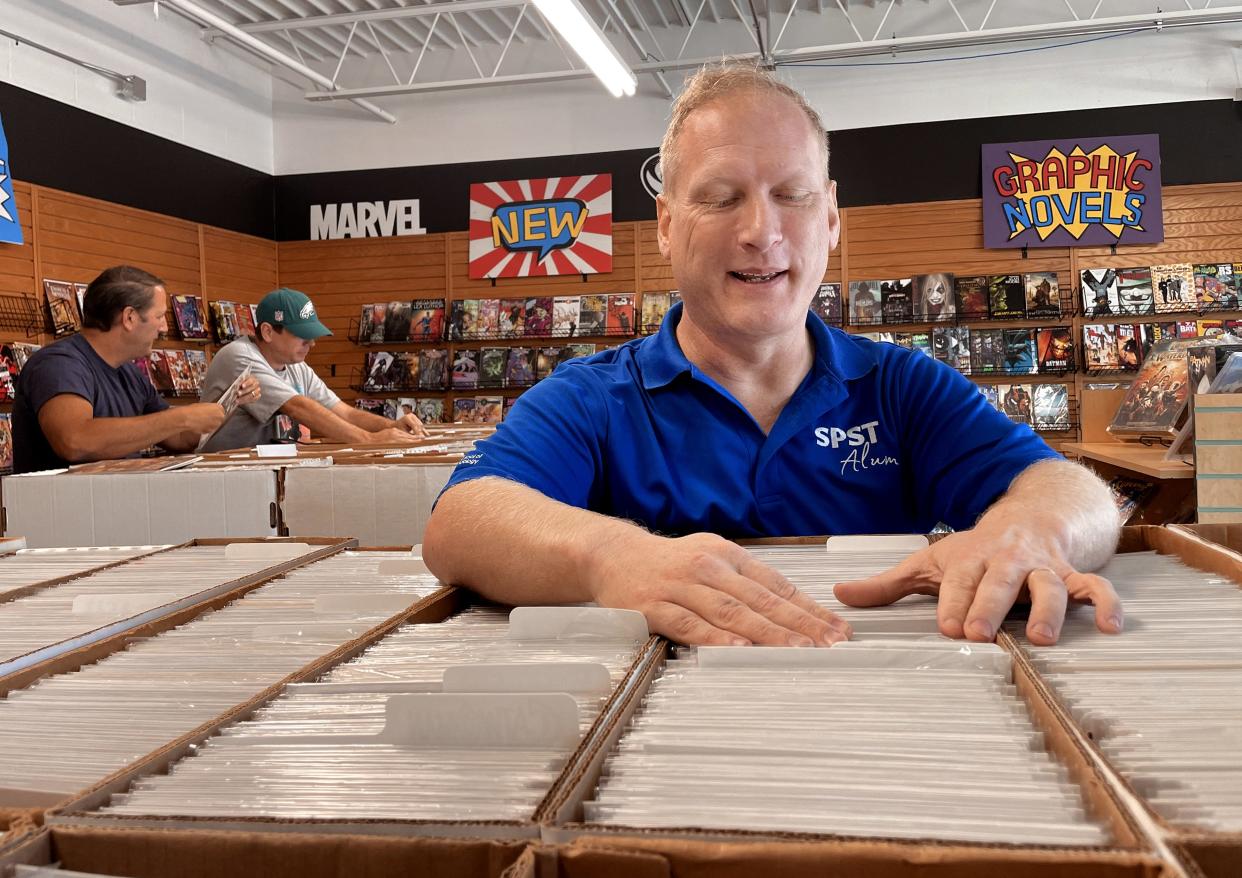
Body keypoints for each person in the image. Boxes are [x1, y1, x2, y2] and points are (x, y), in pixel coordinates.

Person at [423, 62, 1122, 650]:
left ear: (831, 215)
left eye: (791, 196)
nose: (762, 232)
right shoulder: (592, 398)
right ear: (666, 224)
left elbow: (1076, 493)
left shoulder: (904, 388)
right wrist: (619, 559)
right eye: (721, 199)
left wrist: (1025, 533)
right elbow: (460, 523)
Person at [11, 265, 259, 474]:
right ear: (129, 318)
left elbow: (180, 439)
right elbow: (75, 440)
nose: (163, 327)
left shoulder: (129, 374)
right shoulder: (59, 364)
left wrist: (226, 404)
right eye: (159, 316)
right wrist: (181, 417)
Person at [199, 287, 427, 452]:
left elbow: (344, 412)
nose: (312, 343)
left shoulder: (297, 366)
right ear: (268, 332)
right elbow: (297, 407)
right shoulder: (238, 356)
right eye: (303, 335)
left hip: (257, 470)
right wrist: (369, 439)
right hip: (214, 472)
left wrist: (392, 426)